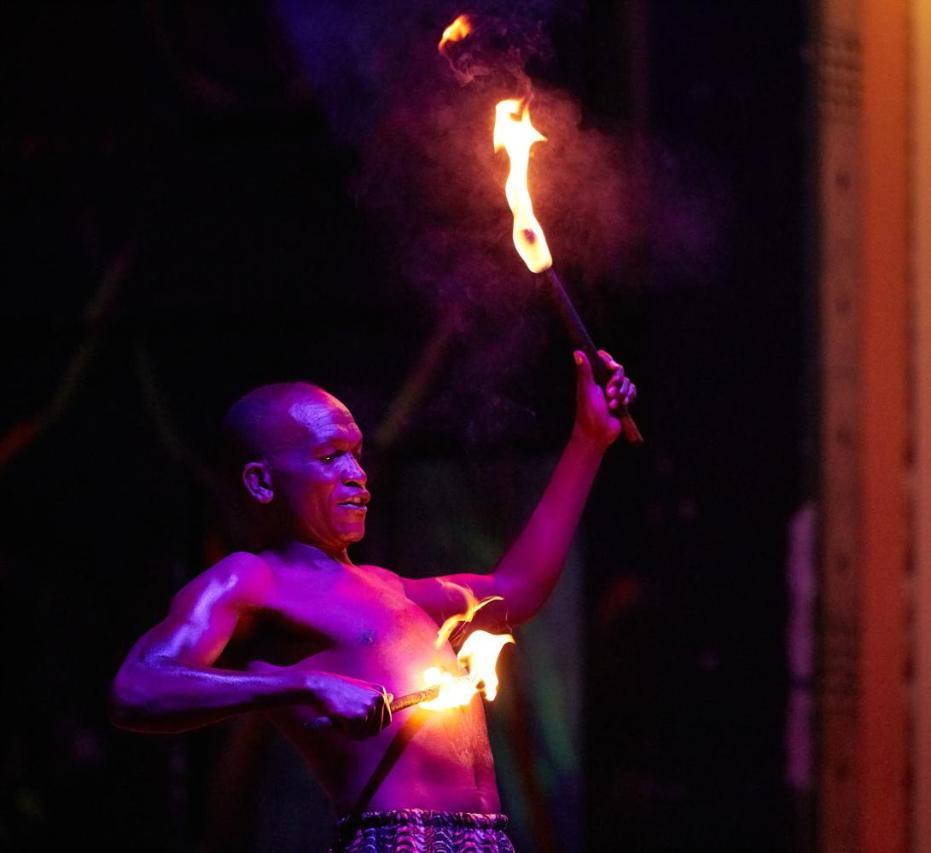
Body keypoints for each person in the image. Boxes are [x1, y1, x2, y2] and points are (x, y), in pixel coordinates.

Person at [111, 349, 636, 852]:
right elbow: (137, 687)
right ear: (262, 481)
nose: (358, 476)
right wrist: (304, 685)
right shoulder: (250, 580)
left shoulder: (394, 588)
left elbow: (517, 589)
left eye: (357, 455)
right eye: (330, 456)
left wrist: (588, 440)